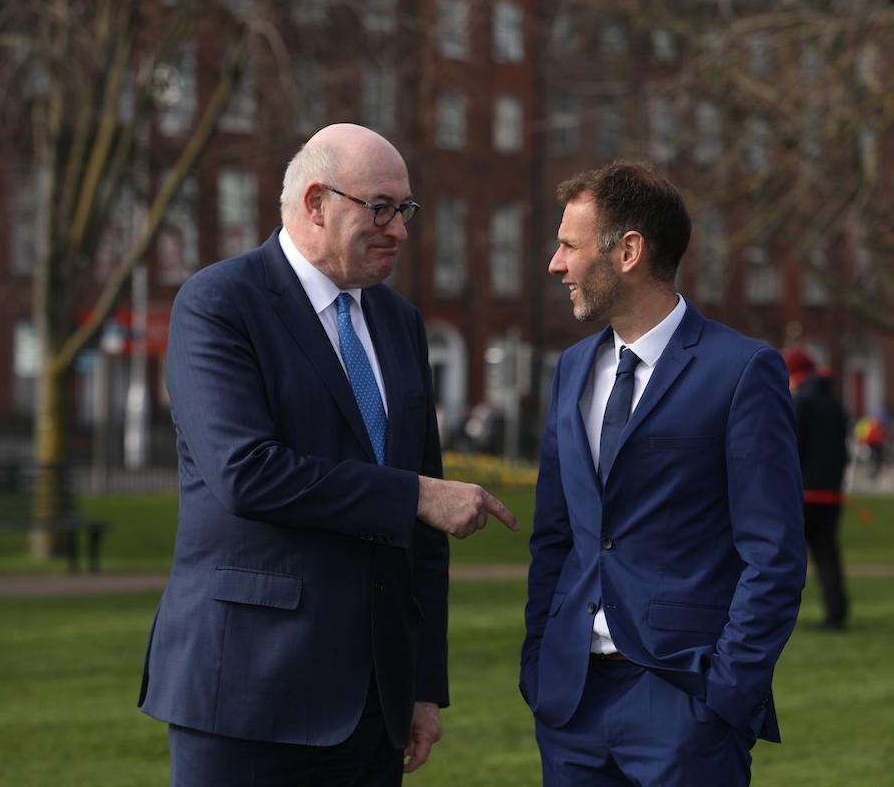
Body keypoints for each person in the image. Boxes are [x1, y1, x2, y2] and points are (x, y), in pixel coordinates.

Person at [139, 123, 519, 786]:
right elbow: (246, 473)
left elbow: (422, 538)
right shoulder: (219, 304)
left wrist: (423, 684)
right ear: (316, 203)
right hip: (248, 694)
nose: (399, 230)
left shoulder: (399, 323)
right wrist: (416, 495)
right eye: (380, 208)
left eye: (405, 211)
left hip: (376, 708)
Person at [521, 162, 806, 786]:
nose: (554, 263)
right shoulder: (571, 370)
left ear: (628, 252)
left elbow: (775, 555)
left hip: (683, 702)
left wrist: (727, 690)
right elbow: (556, 536)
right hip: (571, 703)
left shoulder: (742, 371)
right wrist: (539, 663)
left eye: (568, 245)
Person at [785, 350, 851, 631]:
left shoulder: (801, 402)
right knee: (827, 556)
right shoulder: (835, 404)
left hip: (802, 493)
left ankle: (776, 617)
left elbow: (791, 446)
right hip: (832, 492)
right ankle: (836, 614)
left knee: (784, 558)